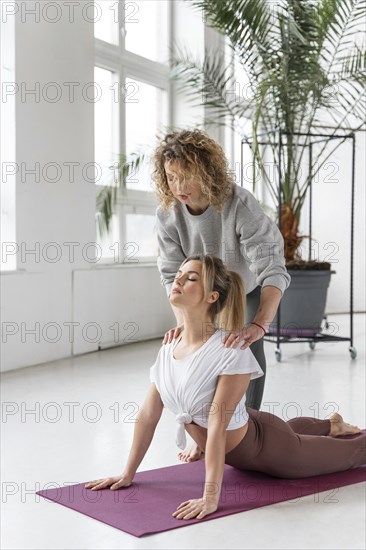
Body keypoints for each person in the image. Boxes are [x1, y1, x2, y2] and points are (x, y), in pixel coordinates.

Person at [85, 255, 365, 521]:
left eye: (190, 278)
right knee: (290, 430)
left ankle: (333, 430)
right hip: (248, 431)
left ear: (212, 296)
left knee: (355, 453)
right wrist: (127, 474)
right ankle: (333, 425)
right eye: (179, 275)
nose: (178, 281)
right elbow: (148, 415)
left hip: (272, 449)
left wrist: (210, 497)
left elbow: (218, 425)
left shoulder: (230, 350)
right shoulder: (169, 346)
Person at [152, 129, 290, 426]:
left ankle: (249, 428)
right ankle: (209, 429)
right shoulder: (167, 216)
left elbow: (273, 268)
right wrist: (183, 323)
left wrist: (259, 325)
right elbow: (170, 273)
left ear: (206, 171)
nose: (178, 186)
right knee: (202, 350)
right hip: (203, 293)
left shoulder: (238, 204)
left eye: (186, 175)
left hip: (245, 287)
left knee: (243, 346)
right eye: (171, 177)